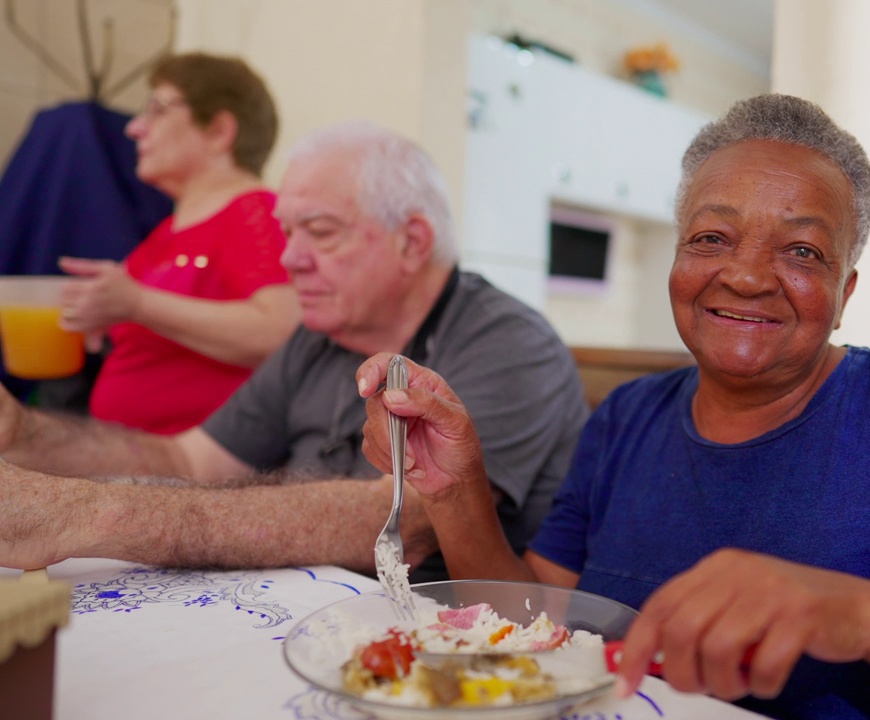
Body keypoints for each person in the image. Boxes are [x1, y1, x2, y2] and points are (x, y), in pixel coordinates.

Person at [356, 94, 870, 719]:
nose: (748, 276)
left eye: (802, 252)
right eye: (713, 237)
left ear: (845, 292)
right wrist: (455, 491)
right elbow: (538, 628)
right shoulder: (627, 418)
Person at [0, 121, 589, 583]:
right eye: (288, 231)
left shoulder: (509, 343)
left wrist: (91, 515)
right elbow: (191, 462)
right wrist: (27, 435)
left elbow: (403, 520)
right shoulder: (320, 334)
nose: (289, 259)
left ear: (412, 242)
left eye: (321, 232)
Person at [56, 52, 299, 434]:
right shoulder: (164, 234)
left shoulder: (254, 213)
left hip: (199, 480)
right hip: (132, 465)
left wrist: (136, 303)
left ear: (219, 131)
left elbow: (282, 332)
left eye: (157, 110)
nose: (134, 128)